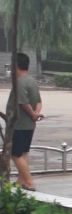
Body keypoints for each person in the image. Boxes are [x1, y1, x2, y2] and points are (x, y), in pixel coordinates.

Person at [6, 52, 43, 191]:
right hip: (29, 125)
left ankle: (28, 182)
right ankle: (21, 181)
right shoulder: (32, 81)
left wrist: (32, 114)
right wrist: (36, 114)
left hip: (19, 124)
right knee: (23, 153)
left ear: (16, 65)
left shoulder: (20, 82)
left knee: (15, 154)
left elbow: (23, 103)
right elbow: (39, 101)